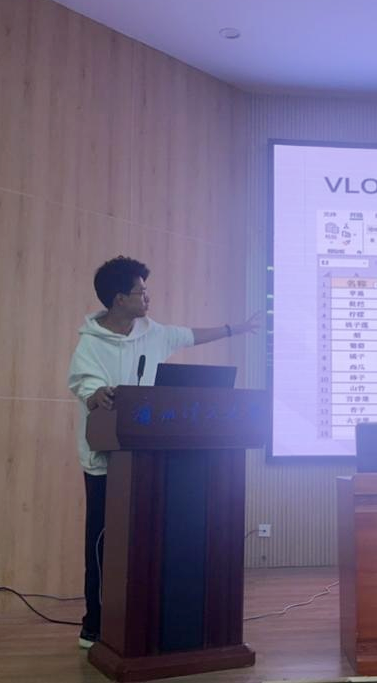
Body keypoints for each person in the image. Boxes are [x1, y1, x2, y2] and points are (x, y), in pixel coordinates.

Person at [67, 255, 261, 649]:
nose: (147, 297)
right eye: (141, 291)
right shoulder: (90, 343)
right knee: (103, 542)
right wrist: (97, 394)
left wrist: (236, 329)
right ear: (120, 298)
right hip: (106, 461)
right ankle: (94, 623)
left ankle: (141, 618)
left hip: (151, 457)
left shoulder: (153, 333)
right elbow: (85, 387)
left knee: (147, 539)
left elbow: (191, 336)